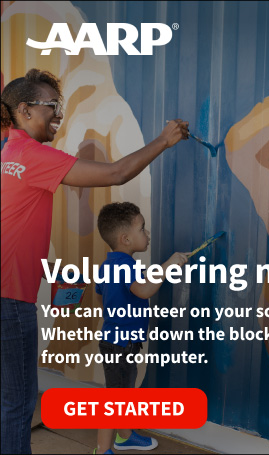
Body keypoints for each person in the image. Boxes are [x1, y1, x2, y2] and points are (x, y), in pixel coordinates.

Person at [0, 68, 189, 454]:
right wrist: (164, 140)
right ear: (23, 110)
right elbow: (117, 172)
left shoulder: (8, 154)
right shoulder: (32, 155)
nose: (58, 114)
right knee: (18, 406)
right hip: (10, 301)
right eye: (51, 106)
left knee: (9, 404)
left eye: (61, 106)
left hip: (8, 296)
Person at [94, 202, 188, 454]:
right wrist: (167, 266)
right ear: (125, 239)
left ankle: (124, 436)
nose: (147, 234)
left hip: (118, 342)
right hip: (120, 345)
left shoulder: (107, 266)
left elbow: (100, 297)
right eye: (143, 229)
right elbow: (144, 289)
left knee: (124, 392)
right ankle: (102, 451)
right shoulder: (127, 266)